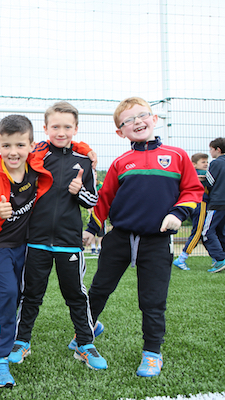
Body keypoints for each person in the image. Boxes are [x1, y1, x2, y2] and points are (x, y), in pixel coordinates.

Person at [83, 96, 204, 377]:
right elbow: (105, 200)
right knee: (99, 289)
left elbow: (193, 190)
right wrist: (91, 229)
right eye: (127, 120)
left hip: (157, 241)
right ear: (120, 132)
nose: (136, 122)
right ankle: (84, 334)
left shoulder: (177, 156)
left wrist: (178, 213)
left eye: (142, 115)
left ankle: (152, 353)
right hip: (120, 238)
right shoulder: (120, 163)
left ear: (154, 119)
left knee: (152, 299)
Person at [10, 101, 106, 371]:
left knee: (76, 294)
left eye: (67, 126)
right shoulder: (36, 156)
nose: (61, 131)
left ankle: (84, 343)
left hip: (68, 243)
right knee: (31, 294)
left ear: (76, 129)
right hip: (36, 240)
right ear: (45, 128)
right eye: (55, 126)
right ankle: (22, 341)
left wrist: (79, 191)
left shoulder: (84, 162)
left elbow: (92, 201)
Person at [0, 115, 36, 387]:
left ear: (31, 145)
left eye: (19, 145)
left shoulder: (37, 167)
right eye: (6, 146)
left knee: (18, 294)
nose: (13, 152)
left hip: (26, 245)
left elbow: (61, 141)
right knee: (8, 291)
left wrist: (87, 151)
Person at [172, 152, 209, 270]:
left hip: (198, 205)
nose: (206, 164)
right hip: (201, 204)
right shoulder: (201, 174)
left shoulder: (192, 174)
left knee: (205, 232)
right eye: (203, 162)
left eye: (207, 162)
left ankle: (217, 257)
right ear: (194, 164)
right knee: (199, 231)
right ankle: (182, 258)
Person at [201, 139, 225, 273]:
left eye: (211, 149)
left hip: (217, 202)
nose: (210, 152)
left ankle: (220, 259)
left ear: (218, 150)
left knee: (207, 232)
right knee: (221, 231)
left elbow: (209, 182)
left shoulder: (216, 163)